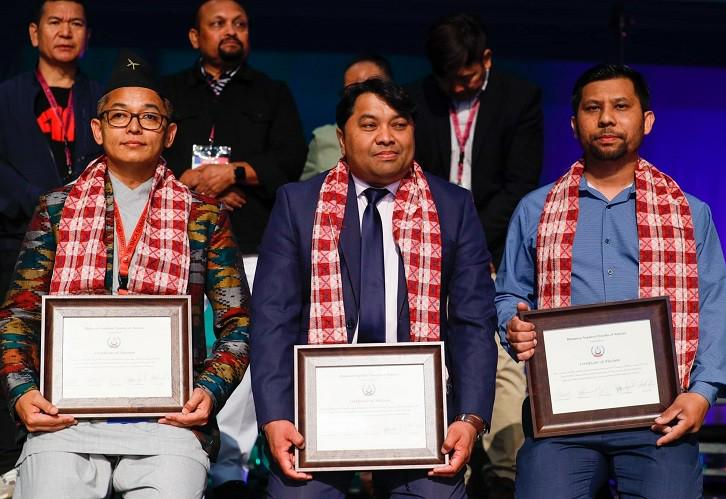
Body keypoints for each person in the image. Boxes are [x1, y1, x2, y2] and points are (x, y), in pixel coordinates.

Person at [0, 52, 250, 498]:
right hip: (65, 418)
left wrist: (208, 392)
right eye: (120, 116)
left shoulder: (202, 216)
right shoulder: (56, 210)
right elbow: (17, 316)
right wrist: (22, 391)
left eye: (149, 117)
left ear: (170, 133)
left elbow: (238, 324)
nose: (133, 127)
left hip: (168, 421)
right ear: (98, 129)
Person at [495, 64, 726, 498]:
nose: (606, 118)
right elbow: (511, 293)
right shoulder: (536, 210)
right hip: (562, 420)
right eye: (593, 108)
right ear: (575, 125)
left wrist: (701, 394)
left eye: (621, 107)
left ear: (646, 120)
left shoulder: (688, 212)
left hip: (659, 415)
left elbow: (713, 304)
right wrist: (512, 326)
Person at [250, 78, 497, 498]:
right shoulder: (299, 204)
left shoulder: (452, 206)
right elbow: (273, 318)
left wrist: (469, 418)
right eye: (369, 125)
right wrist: (275, 417)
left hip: (422, 415)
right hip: (318, 415)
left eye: (399, 124)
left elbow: (472, 321)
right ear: (342, 139)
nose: (386, 137)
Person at [161, 1, 306, 494]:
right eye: (218, 24)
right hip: (179, 247)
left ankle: (231, 470)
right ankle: (179, 453)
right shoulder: (172, 92)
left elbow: (290, 161)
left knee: (242, 353)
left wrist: (236, 173)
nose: (230, 32)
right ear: (194, 36)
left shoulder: (272, 92)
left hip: (252, 245)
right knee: (185, 351)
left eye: (239, 24)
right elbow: (150, 156)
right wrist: (191, 185)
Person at [409, 14, 541, 496]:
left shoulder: (519, 98)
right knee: (439, 351)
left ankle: (503, 470)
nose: (457, 86)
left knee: (506, 356)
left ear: (485, 60)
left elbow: (519, 183)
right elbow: (415, 178)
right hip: (426, 246)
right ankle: (443, 458)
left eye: (465, 77)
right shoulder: (418, 98)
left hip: (497, 249)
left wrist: (475, 247)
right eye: (448, 78)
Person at [0, 0, 101, 479]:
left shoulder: (103, 100)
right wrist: (40, 202)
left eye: (76, 23)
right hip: (14, 242)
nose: (66, 31)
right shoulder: (6, 97)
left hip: (88, 247)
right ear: (34, 33)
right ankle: (7, 468)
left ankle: (74, 463)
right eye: (55, 23)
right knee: (14, 352)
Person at [300, 54, 392, 181]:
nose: (361, 96)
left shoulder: (405, 134)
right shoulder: (323, 139)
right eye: (352, 91)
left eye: (371, 87)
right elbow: (305, 193)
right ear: (341, 138)